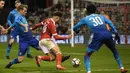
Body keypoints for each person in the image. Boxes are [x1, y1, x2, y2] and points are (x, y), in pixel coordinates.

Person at [73, 4, 127, 73]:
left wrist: (77, 31)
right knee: (114, 50)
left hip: (98, 36)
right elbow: (111, 24)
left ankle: (89, 71)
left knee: (87, 54)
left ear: (87, 11)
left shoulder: (86, 19)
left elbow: (74, 27)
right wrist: (116, 34)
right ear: (95, 10)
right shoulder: (102, 16)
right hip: (107, 34)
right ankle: (122, 68)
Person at [5, 4, 40, 68]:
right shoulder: (18, 16)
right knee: (20, 59)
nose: (26, 12)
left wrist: (7, 29)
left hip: (31, 38)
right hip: (23, 41)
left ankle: (56, 57)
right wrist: (24, 26)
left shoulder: (23, 17)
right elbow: (17, 21)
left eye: (26, 11)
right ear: (20, 10)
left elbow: (13, 24)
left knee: (41, 47)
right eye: (24, 11)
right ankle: (11, 63)